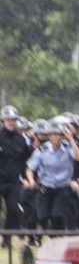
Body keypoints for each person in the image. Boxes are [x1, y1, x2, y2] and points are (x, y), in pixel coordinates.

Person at [24, 119, 79, 232]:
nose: (57, 137)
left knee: (57, 216)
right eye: (54, 134)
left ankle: (55, 237)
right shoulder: (42, 150)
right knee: (42, 216)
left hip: (62, 188)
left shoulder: (67, 147)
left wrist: (71, 139)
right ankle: (43, 232)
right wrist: (31, 180)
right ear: (49, 136)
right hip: (45, 188)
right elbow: (30, 169)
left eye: (60, 134)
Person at [0, 105, 31, 246]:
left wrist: (26, 178)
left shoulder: (21, 140)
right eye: (8, 120)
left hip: (13, 182)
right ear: (3, 121)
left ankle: (6, 238)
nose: (11, 122)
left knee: (13, 208)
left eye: (13, 120)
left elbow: (26, 162)